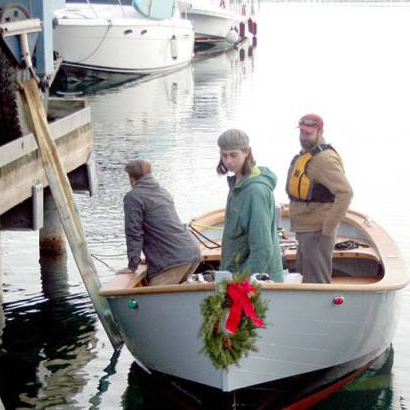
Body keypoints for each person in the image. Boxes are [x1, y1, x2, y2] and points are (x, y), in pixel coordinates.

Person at [285, 113, 353, 284]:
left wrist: (328, 227)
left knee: (317, 282)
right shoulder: (308, 155)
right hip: (306, 229)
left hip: (317, 232)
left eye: (308, 133)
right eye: (302, 133)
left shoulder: (323, 159)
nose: (304, 137)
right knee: (304, 278)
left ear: (320, 132)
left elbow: (345, 193)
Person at [216, 129, 284, 282]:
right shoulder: (238, 185)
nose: (228, 161)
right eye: (224, 155)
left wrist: (241, 282)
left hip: (257, 283)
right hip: (237, 275)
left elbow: (263, 248)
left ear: (246, 152)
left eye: (233, 155)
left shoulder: (255, 191)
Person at [119, 159, 201, 286]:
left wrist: (132, 265)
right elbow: (164, 225)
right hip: (192, 252)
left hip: (173, 260)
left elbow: (134, 233)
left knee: (152, 302)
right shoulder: (163, 192)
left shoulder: (133, 197)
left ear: (130, 178)